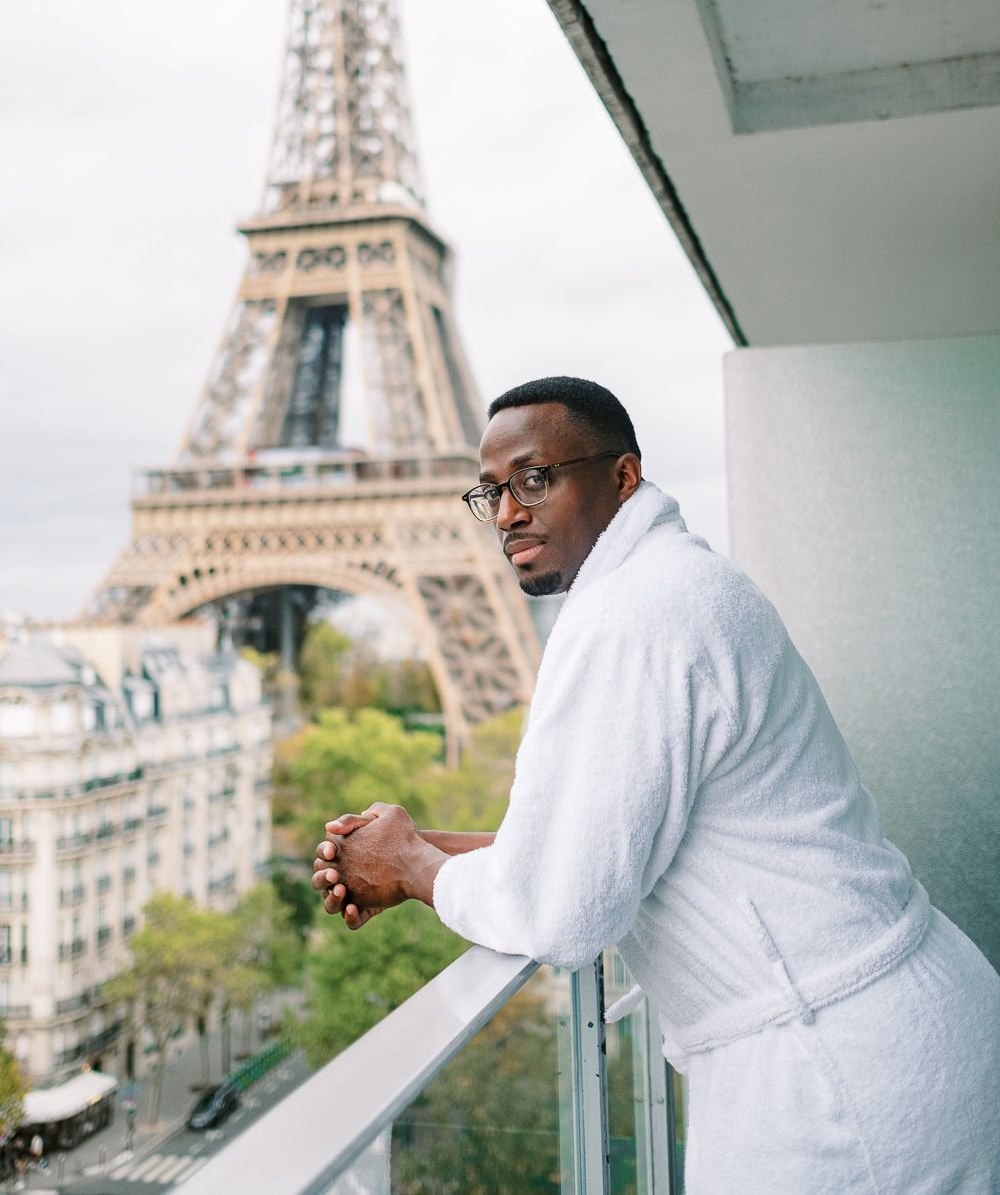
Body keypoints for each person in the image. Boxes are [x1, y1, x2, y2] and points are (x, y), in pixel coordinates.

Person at [313, 376, 1000, 1193]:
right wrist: (419, 852)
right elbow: (618, 836)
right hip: (890, 1035)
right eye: (490, 492)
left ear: (623, 476)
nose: (506, 514)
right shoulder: (678, 585)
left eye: (535, 479)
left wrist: (415, 869)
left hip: (832, 1080)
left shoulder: (630, 618)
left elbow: (563, 913)